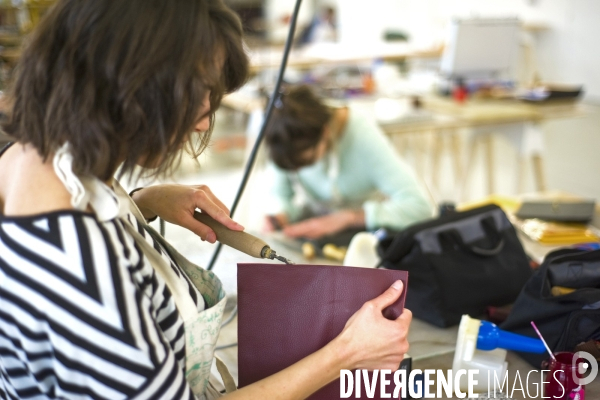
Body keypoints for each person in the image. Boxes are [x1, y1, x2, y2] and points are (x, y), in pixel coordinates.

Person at [0, 1, 412, 399]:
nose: (202, 123)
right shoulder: (80, 267)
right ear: (131, 85)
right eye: (197, 96)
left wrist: (144, 202)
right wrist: (346, 353)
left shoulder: (30, 156)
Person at [263, 85, 434, 240]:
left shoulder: (362, 136)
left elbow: (419, 207)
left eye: (306, 161)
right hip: (315, 228)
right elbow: (280, 193)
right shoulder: (285, 136)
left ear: (324, 133)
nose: (298, 170)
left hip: (362, 235)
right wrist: (280, 215)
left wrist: (350, 217)